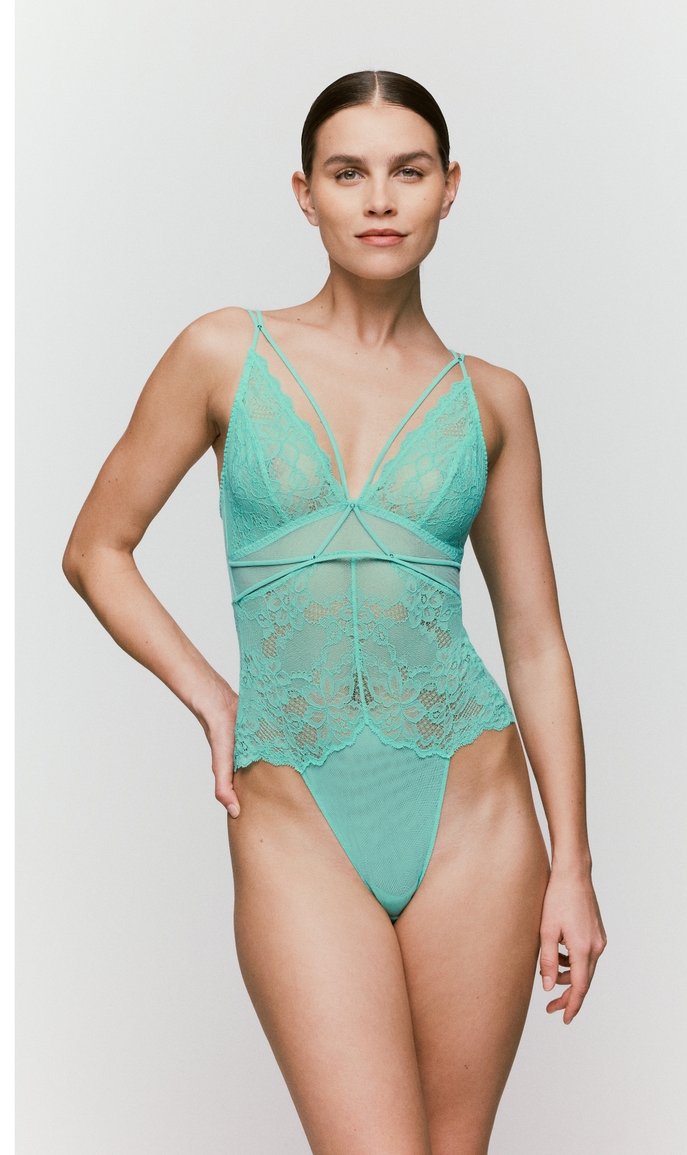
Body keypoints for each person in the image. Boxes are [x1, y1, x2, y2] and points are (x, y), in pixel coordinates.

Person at [63, 69, 606, 1155]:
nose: (380, 199)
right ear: (304, 194)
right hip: (294, 813)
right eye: (348, 173)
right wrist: (212, 698)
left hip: (476, 811)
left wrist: (574, 868)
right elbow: (95, 550)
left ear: (449, 187)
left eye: (408, 171)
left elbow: (536, 642)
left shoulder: (492, 400)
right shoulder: (224, 351)